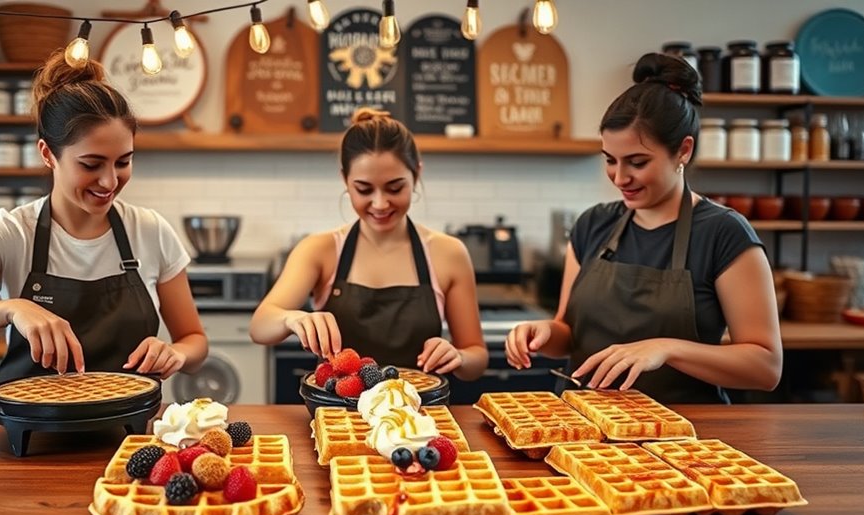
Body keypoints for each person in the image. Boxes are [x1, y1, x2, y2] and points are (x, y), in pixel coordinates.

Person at [0, 50, 207, 383]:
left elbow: (194, 341)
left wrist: (176, 352)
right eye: (91, 164)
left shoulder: (150, 231)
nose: (109, 182)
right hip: (34, 416)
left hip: (132, 418)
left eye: (123, 162)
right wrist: (12, 309)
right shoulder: (9, 234)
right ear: (47, 154)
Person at [504, 53, 782, 403]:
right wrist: (543, 332)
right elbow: (568, 332)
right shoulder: (593, 224)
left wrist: (666, 349)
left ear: (683, 151)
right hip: (584, 421)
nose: (620, 178)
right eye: (610, 160)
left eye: (637, 162)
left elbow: (765, 367)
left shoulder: (724, 234)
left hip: (685, 429)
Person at [250, 108, 487, 379]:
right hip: (339, 406)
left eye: (395, 188)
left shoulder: (449, 253)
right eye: (364, 189)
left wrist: (459, 357)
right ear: (345, 180)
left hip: (418, 406)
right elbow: (260, 327)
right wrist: (292, 318)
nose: (380, 203)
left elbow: (477, 357)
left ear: (416, 174)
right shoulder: (319, 250)